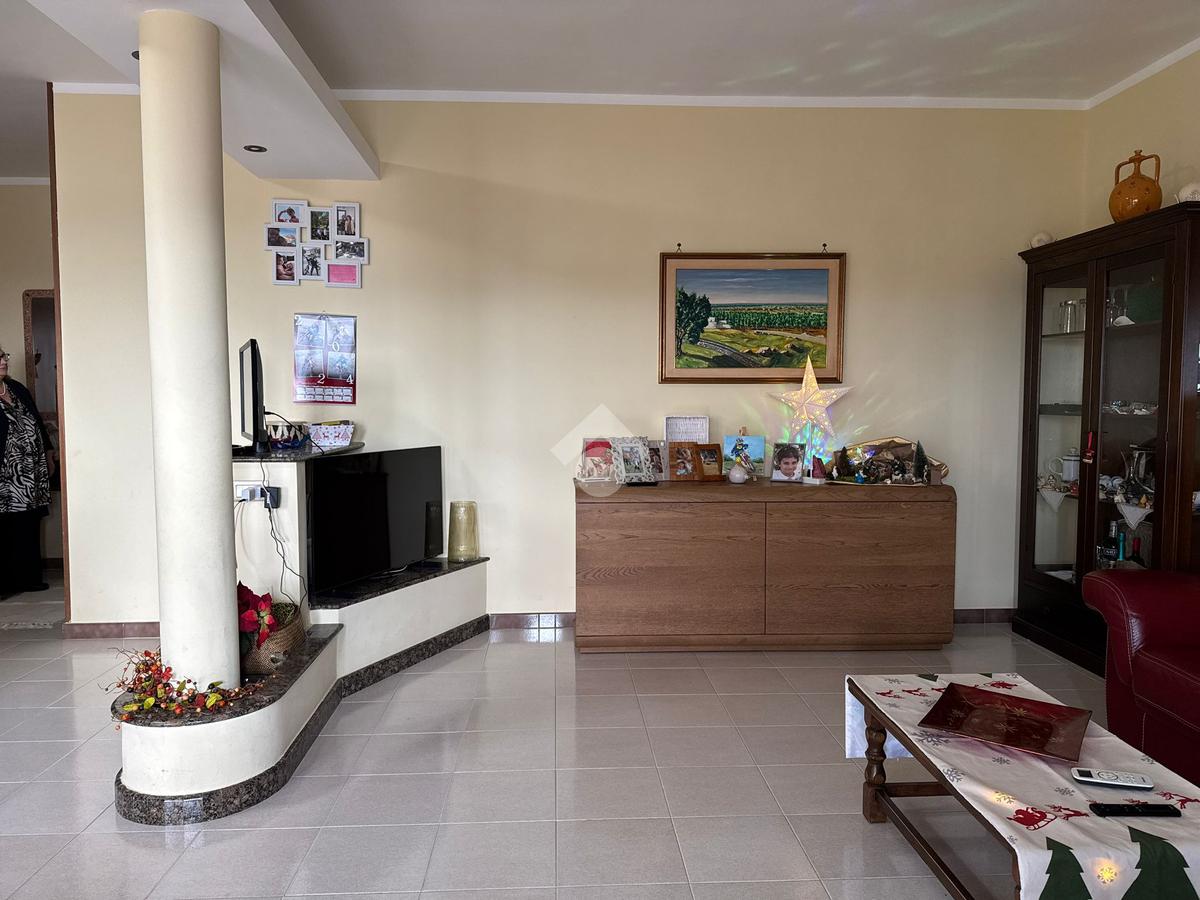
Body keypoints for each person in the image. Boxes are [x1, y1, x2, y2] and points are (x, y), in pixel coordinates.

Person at [0, 345, 55, 599]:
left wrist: (48, 451)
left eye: (3, 356)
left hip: (31, 471)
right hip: (6, 475)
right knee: (6, 526)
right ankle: (6, 583)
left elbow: (37, 423)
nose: (3, 361)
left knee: (29, 523)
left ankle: (29, 578)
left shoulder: (17, 389)